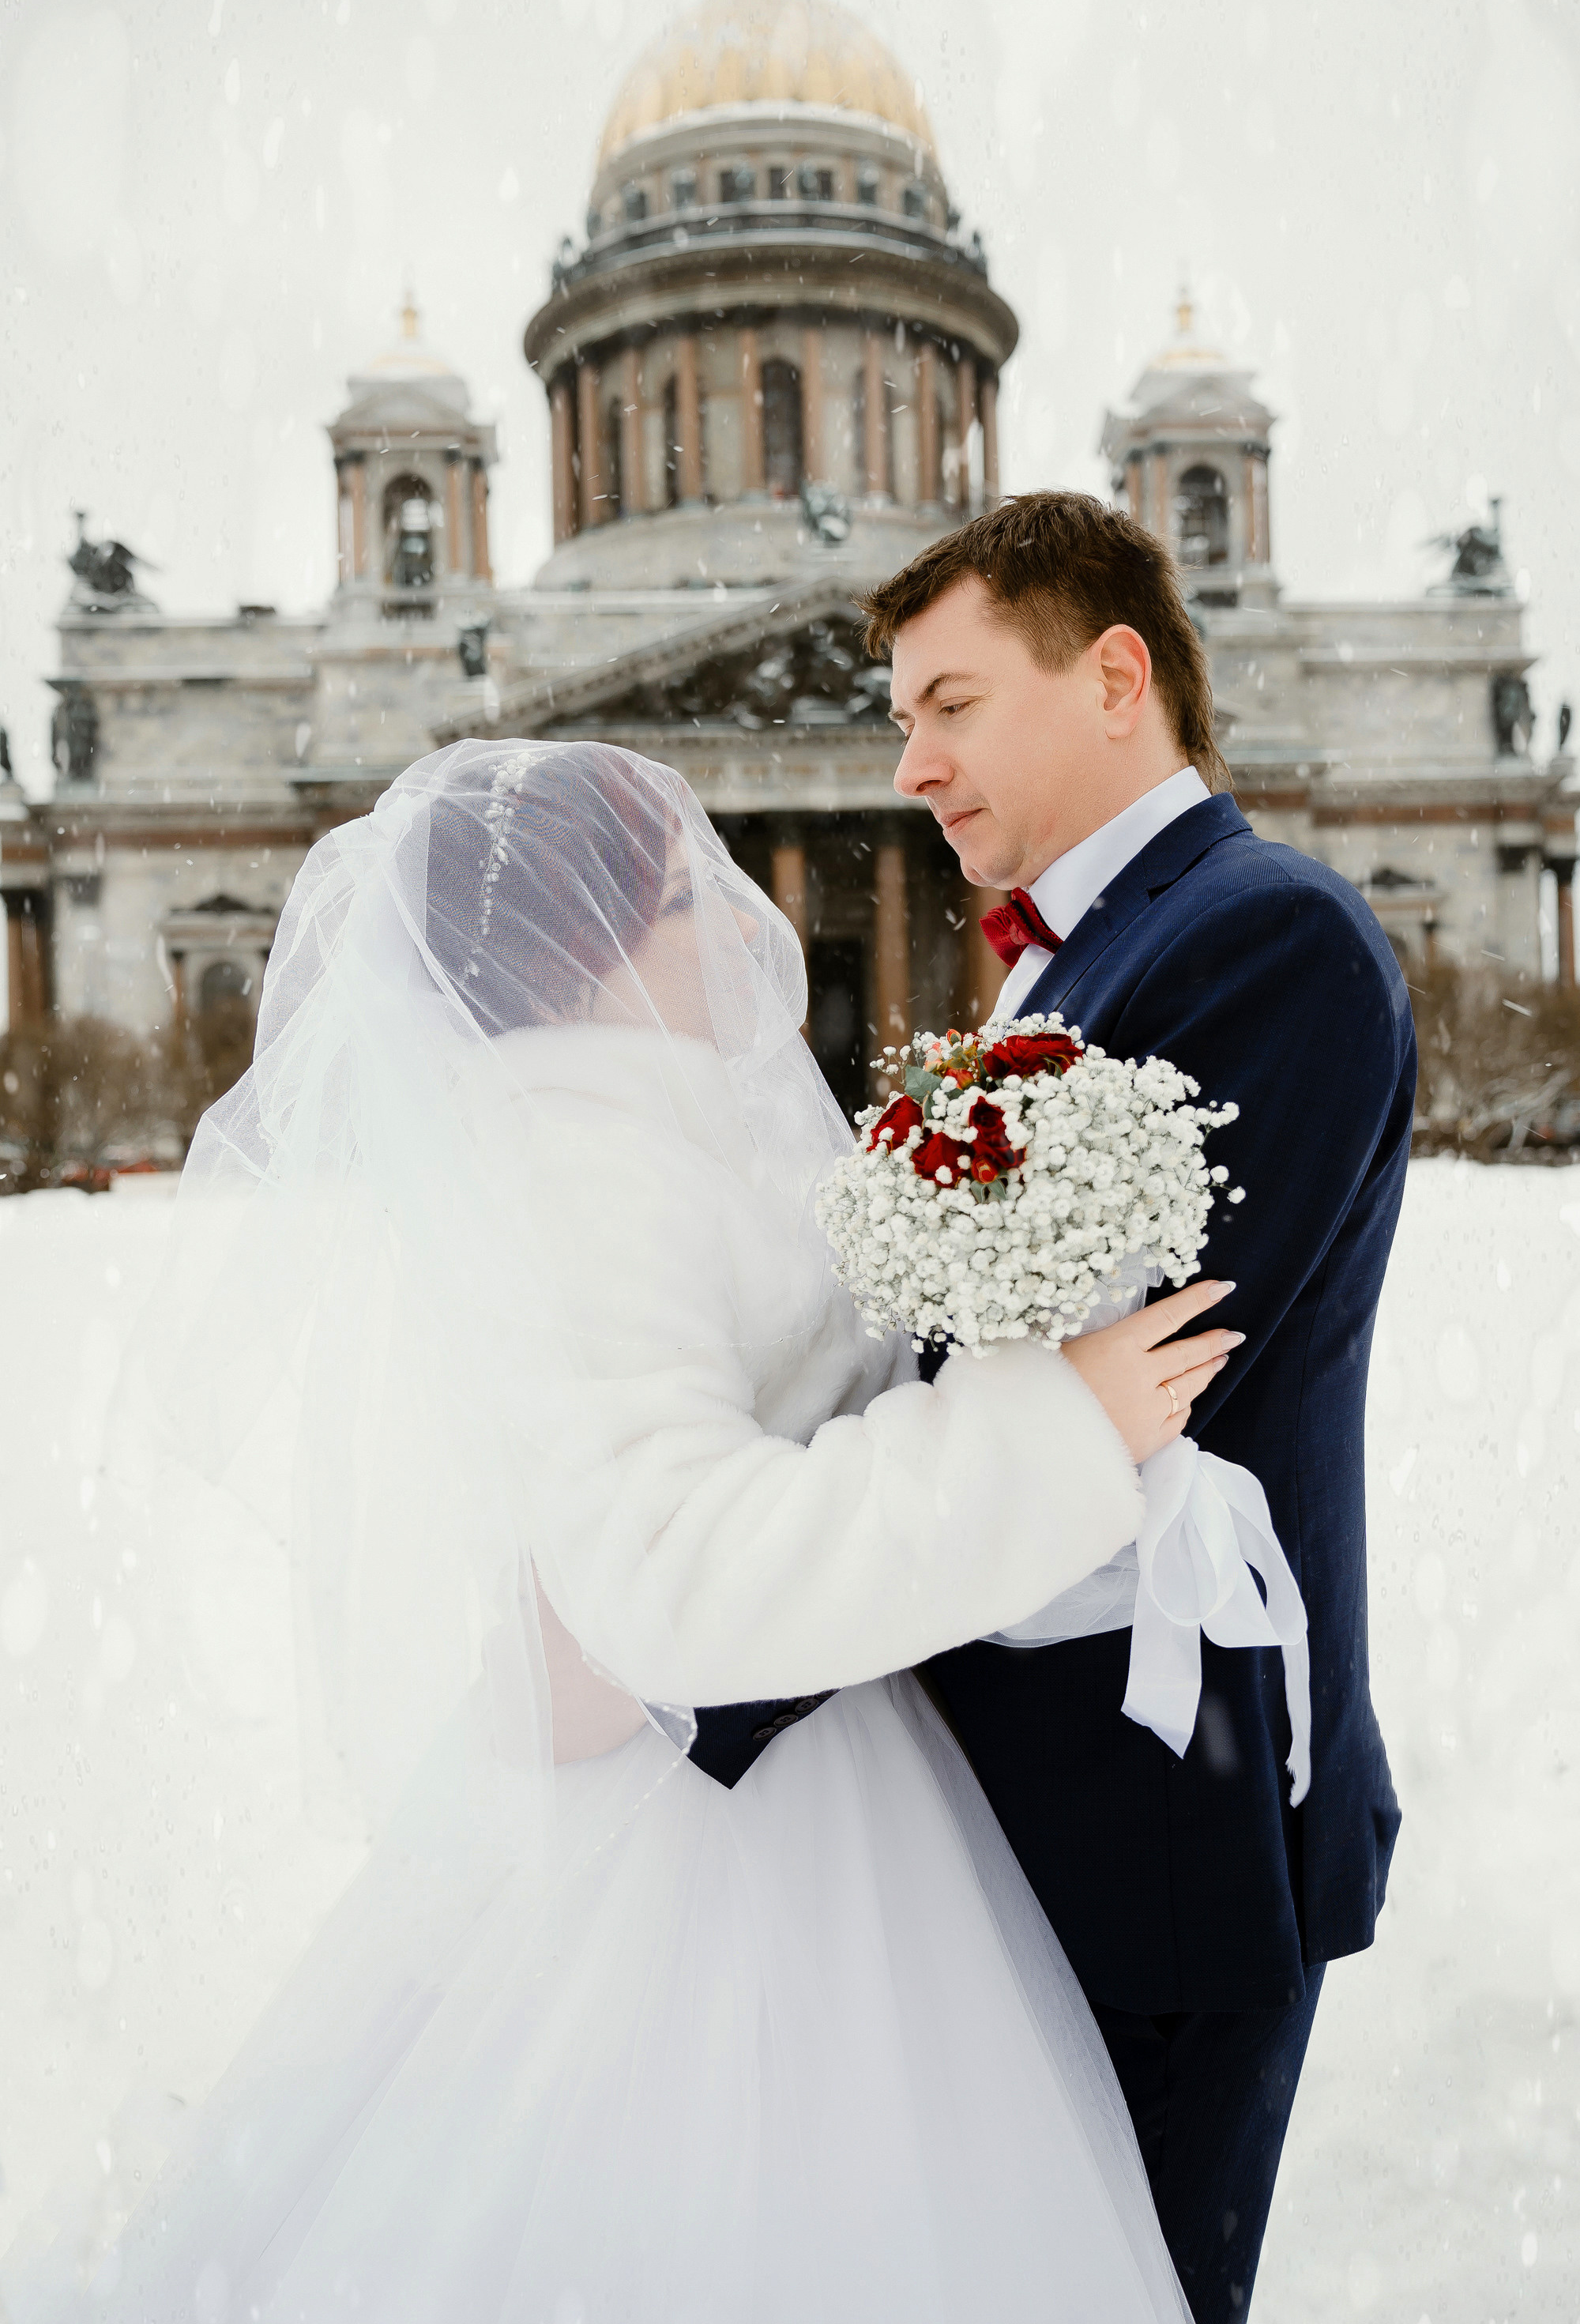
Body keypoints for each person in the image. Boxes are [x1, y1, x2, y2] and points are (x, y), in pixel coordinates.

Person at [4, 738, 1242, 2323]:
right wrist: (1054, 1430)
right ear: (587, 942)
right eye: (676, 895)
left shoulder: (628, 1133)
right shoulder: (587, 1158)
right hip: (715, 1833)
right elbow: (676, 1573)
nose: (730, 924)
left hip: (754, 1776)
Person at [856, 491, 1414, 2323]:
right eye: (901, 720)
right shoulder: (1077, 955)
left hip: (1165, 1835)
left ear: (1113, 676)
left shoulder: (1271, 941)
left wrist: (711, 1632)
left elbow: (1121, 1392)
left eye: (949, 705)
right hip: (1070, 1820)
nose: (913, 765)